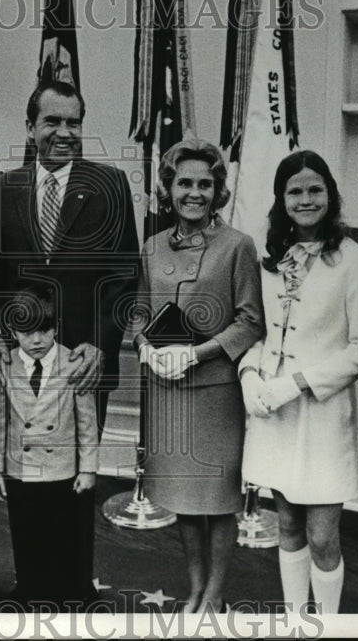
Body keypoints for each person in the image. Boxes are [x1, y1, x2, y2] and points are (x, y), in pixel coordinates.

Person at [0, 79, 140, 602]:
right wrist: (1, 337)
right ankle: (30, 585)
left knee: (77, 478)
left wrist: (101, 344)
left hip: (82, 361)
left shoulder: (111, 184)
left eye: (73, 122)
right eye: (52, 121)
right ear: (30, 128)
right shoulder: (5, 189)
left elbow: (124, 276)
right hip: (23, 359)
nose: (63, 132)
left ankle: (75, 588)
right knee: (27, 477)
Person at [238, 150, 358, 614]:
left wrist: (296, 382)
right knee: (289, 526)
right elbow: (258, 330)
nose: (305, 199)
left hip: (319, 413)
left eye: (315, 189)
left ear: (330, 195)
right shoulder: (270, 259)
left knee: (322, 536)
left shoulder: (354, 259)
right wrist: (250, 375)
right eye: (294, 191)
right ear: (281, 199)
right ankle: (297, 621)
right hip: (273, 414)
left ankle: (329, 624)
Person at [135, 139, 263, 614]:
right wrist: (145, 347)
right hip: (166, 392)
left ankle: (215, 593)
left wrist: (198, 354)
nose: (194, 192)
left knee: (218, 497)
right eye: (184, 182)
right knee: (183, 497)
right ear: (168, 188)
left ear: (218, 190)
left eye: (204, 184)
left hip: (215, 394)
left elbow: (251, 321)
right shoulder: (151, 246)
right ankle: (195, 588)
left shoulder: (238, 246)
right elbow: (139, 313)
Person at [0, 283, 99, 609]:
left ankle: (67, 590)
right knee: (25, 534)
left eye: (44, 330)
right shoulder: (3, 364)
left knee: (64, 535)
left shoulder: (73, 362)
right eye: (26, 332)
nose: (36, 340)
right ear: (12, 330)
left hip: (62, 469)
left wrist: (89, 468)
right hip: (19, 468)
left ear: (56, 327)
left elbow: (87, 422)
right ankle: (28, 588)